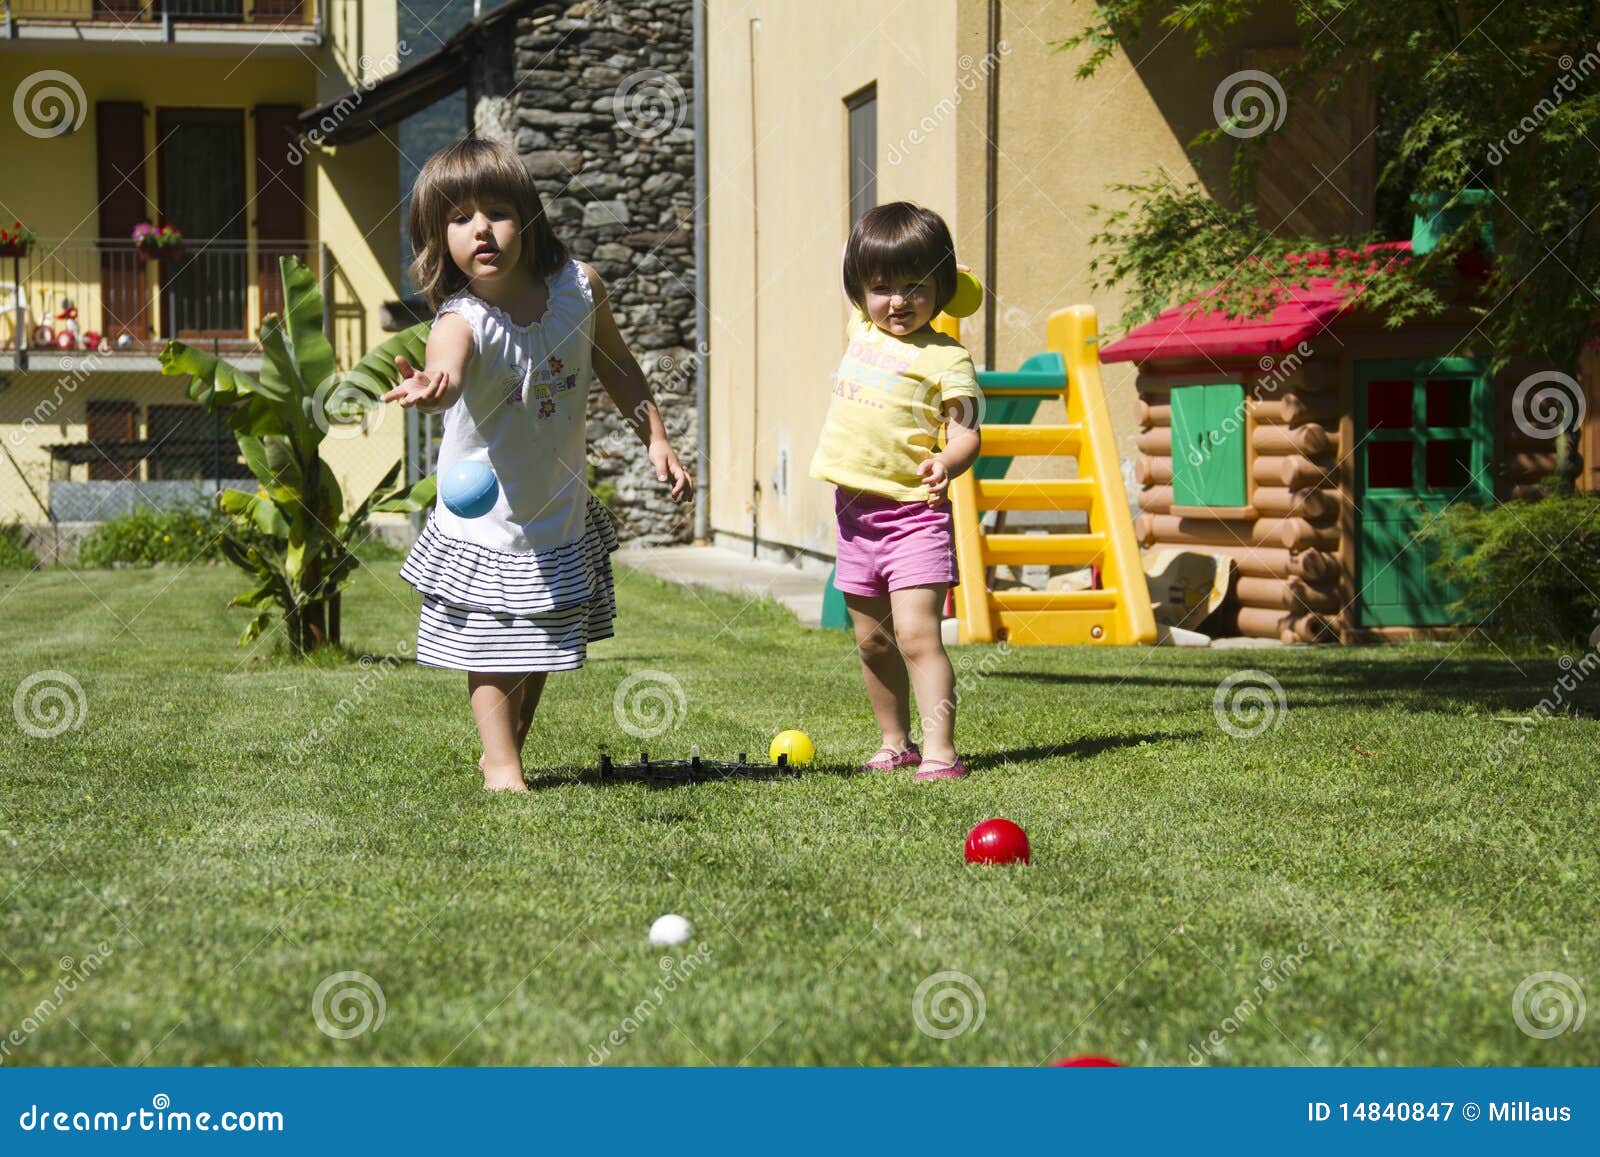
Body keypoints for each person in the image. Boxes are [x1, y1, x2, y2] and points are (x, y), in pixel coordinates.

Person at [384, 139, 693, 792]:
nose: (481, 228)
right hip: (490, 517)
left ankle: (509, 746)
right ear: (440, 238)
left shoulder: (580, 290)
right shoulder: (463, 317)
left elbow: (615, 364)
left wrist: (656, 437)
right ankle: (501, 763)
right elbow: (447, 359)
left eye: (496, 210)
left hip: (556, 504)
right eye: (460, 217)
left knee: (543, 640)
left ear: (527, 217)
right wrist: (435, 385)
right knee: (494, 642)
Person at [809, 202, 981, 781]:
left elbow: (967, 433)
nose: (898, 302)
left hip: (914, 515)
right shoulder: (861, 327)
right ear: (861, 293)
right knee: (873, 641)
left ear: (941, 287)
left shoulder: (948, 357)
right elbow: (849, 260)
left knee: (915, 635)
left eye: (916, 286)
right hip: (855, 516)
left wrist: (947, 462)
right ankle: (894, 741)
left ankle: (940, 751)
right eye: (882, 288)